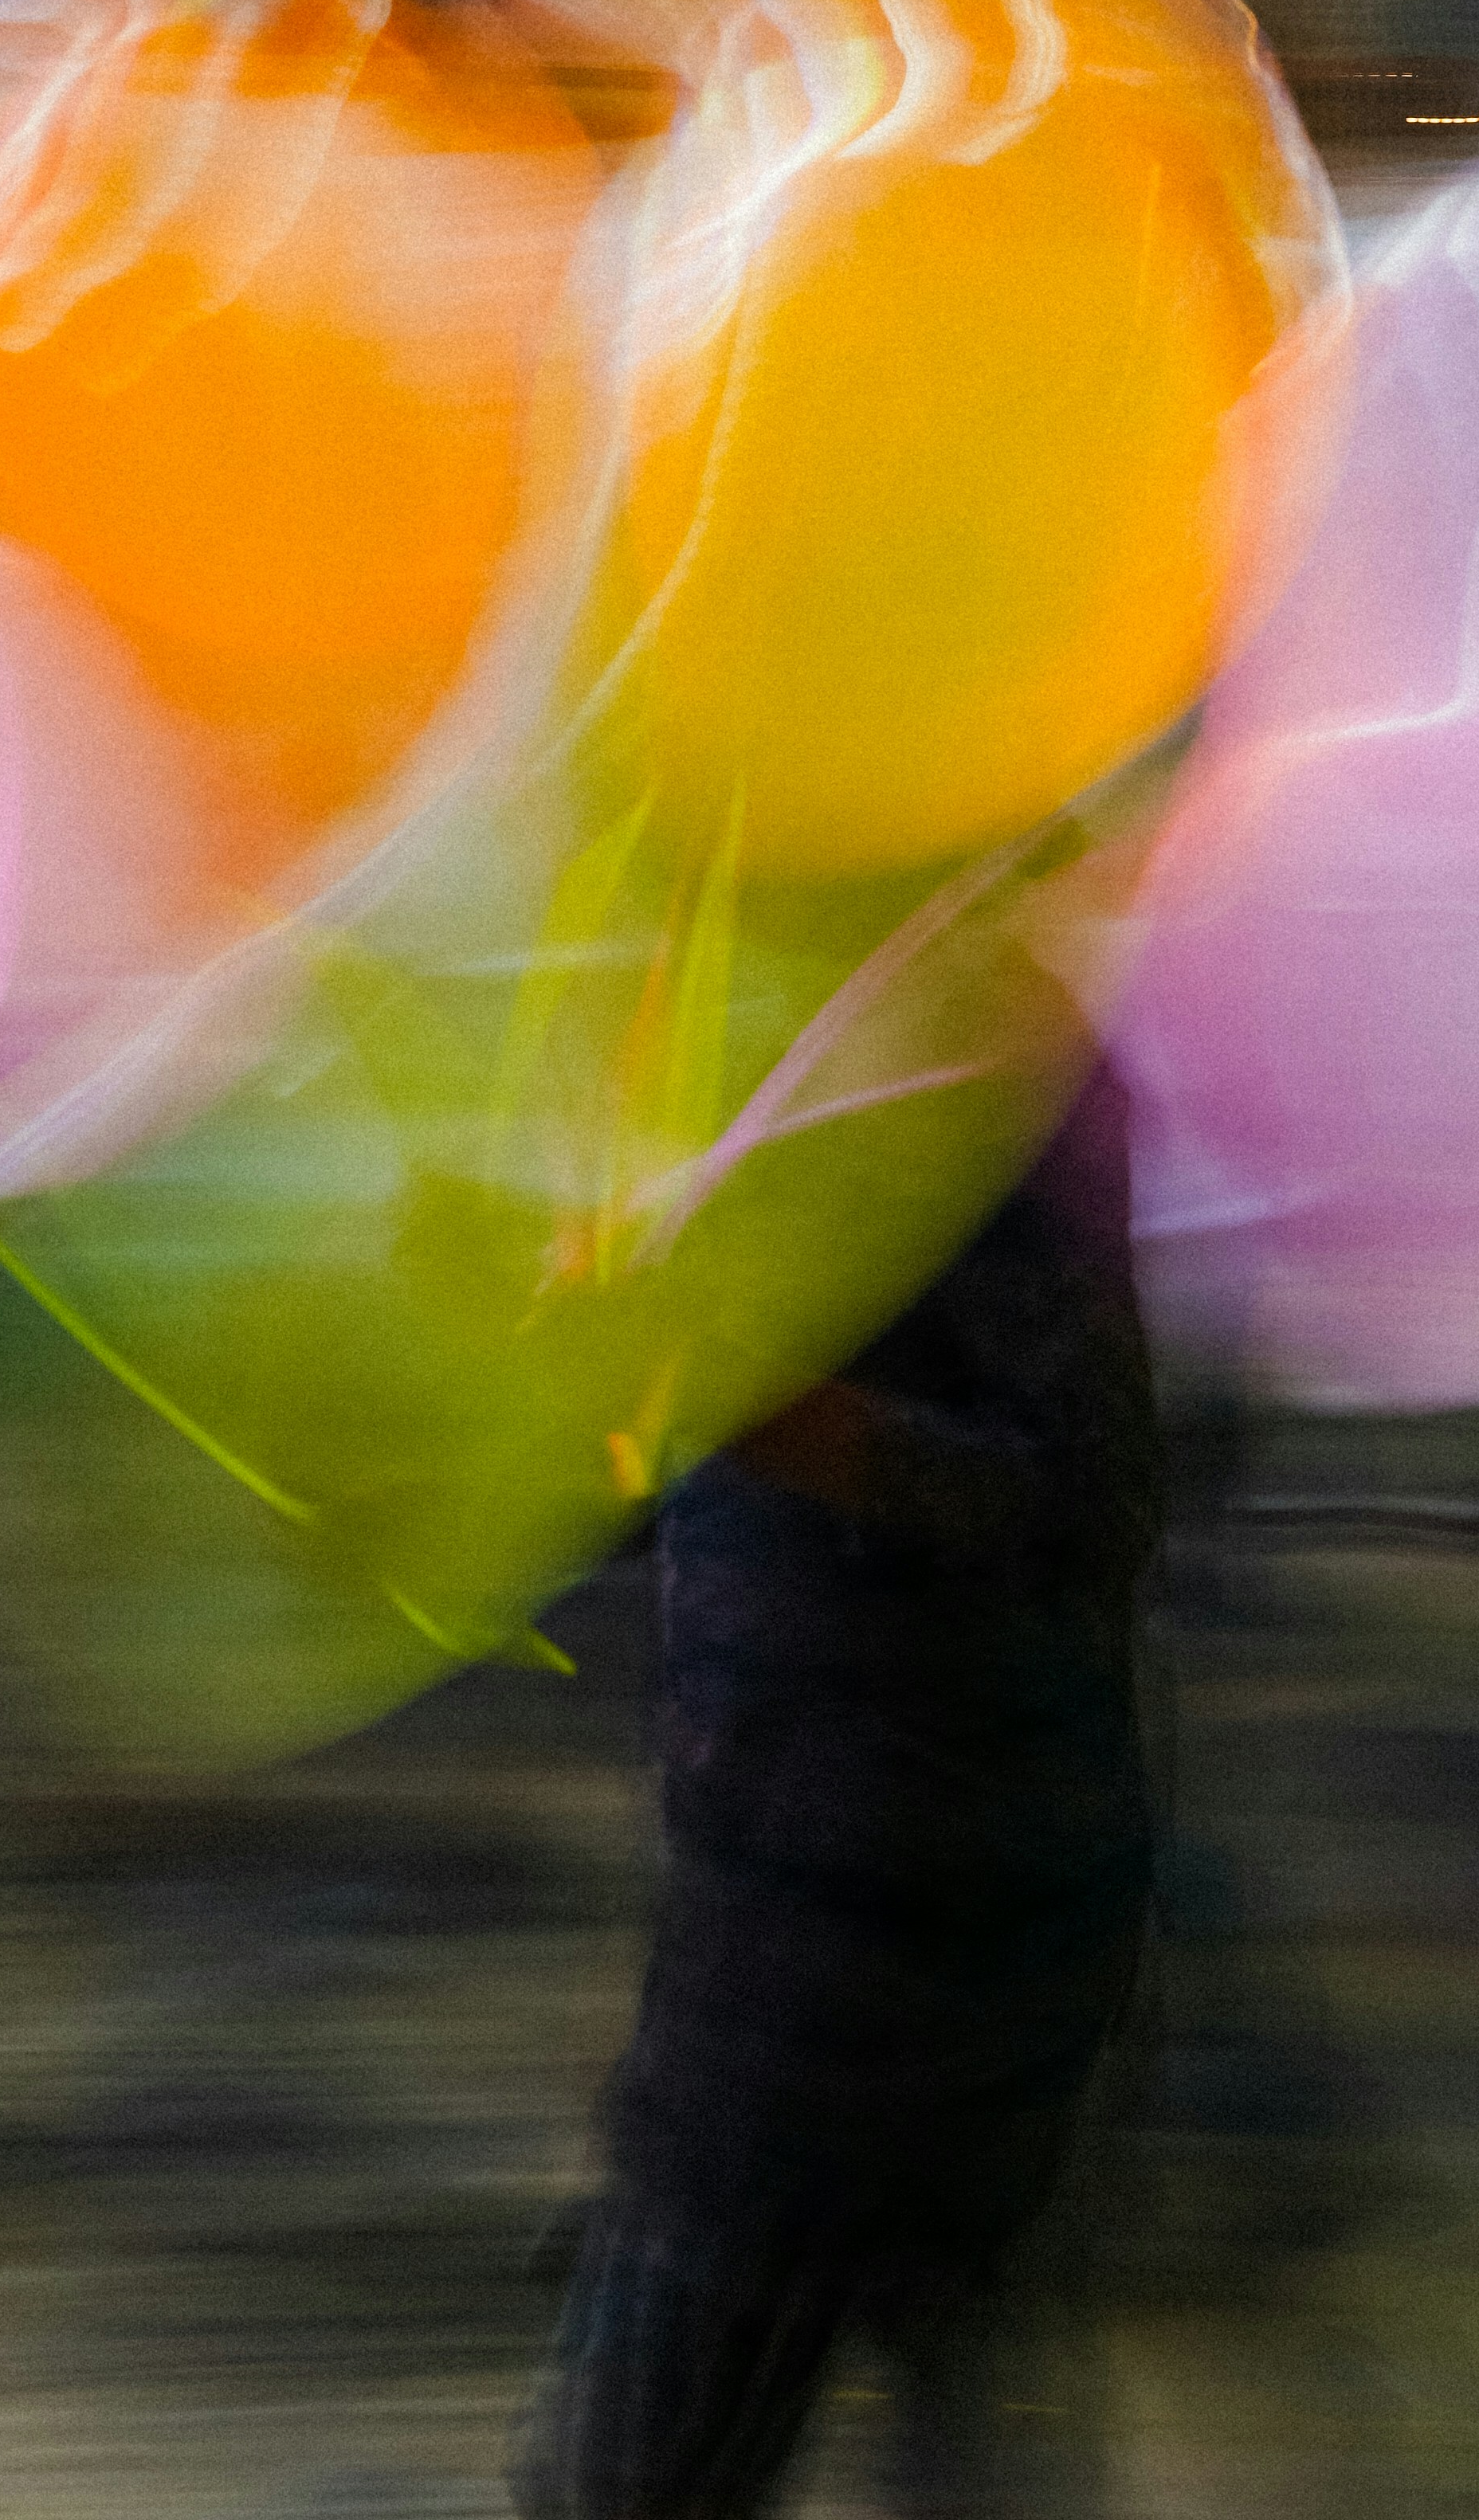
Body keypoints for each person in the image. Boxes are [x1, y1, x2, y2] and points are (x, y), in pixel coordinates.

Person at [520, 1059, 1159, 2520]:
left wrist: (765, 1412)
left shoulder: (1007, 1093)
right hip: (768, 1886)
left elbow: (1078, 1499)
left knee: (657, 2460)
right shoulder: (736, 1073)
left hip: (944, 1913)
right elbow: (672, 1475)